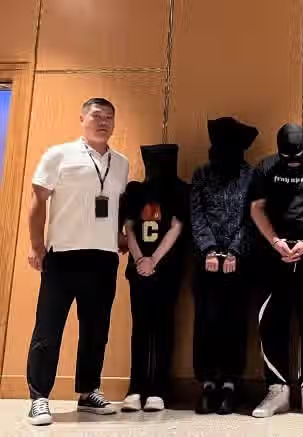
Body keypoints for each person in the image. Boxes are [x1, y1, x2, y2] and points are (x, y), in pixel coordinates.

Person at [26, 98, 129, 426]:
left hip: (104, 257)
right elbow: (37, 201)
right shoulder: (59, 154)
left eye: (109, 117)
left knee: (96, 329)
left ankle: (88, 391)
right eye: (97, 115)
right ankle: (39, 397)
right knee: (48, 328)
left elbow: (116, 206)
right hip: (63, 255)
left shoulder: (121, 163)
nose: (103, 122)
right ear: (82, 118)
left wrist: (120, 237)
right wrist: (36, 245)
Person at [249, 123, 303, 420]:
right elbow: (257, 208)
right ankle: (278, 391)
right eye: (287, 159)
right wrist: (275, 241)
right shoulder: (265, 167)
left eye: (298, 158)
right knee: (271, 323)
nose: (293, 163)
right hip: (272, 256)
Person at [191, 117, 257, 415]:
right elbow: (196, 214)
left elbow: (253, 218)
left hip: (239, 263)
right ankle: (207, 384)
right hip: (204, 263)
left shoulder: (251, 176)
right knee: (206, 322)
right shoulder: (201, 174)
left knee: (235, 323)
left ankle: (230, 384)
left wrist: (234, 251)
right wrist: (208, 249)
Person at [120, 144, 188, 413]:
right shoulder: (135, 191)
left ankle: (159, 388)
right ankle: (135, 387)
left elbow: (177, 227)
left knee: (164, 326)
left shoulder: (180, 190)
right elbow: (129, 227)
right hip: (139, 271)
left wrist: (153, 260)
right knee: (140, 327)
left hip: (167, 269)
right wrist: (140, 260)